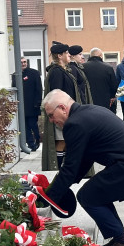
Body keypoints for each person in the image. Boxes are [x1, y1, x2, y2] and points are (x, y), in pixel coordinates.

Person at [37, 90, 124, 246]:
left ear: (62, 108)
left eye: (51, 115)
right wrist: (63, 187)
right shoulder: (88, 112)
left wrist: (48, 197)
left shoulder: (74, 124)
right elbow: (85, 159)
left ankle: (123, 241)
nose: (52, 121)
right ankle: (119, 239)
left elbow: (70, 168)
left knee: (87, 196)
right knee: (96, 194)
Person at [42, 42, 79, 171]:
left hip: (66, 112)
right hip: (60, 113)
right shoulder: (57, 72)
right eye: (66, 53)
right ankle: (57, 168)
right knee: (61, 141)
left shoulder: (63, 70)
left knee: (66, 142)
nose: (69, 55)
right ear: (59, 55)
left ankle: (63, 167)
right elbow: (56, 94)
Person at [12, 57, 42, 150]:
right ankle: (31, 144)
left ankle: (37, 140)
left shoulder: (34, 73)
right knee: (25, 127)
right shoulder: (15, 75)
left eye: (25, 62)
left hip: (32, 105)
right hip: (21, 105)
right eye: (21, 62)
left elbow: (39, 89)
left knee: (33, 125)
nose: (23, 64)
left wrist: (38, 102)